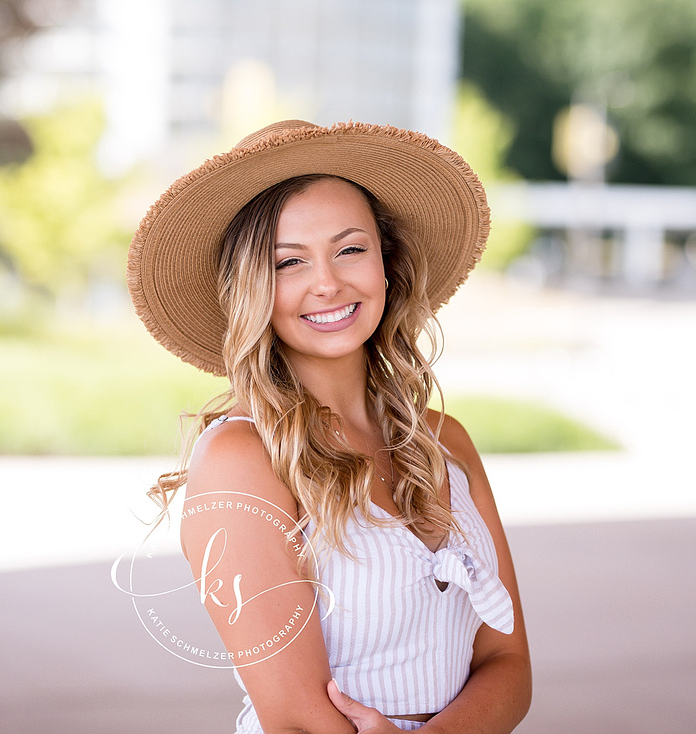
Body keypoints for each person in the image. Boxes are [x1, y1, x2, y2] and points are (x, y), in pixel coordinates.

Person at [127, 120, 530, 732]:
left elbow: (509, 664)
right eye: (289, 262)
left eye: (350, 249)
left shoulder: (444, 441)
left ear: (386, 264)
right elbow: (295, 719)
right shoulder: (242, 457)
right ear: (251, 291)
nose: (328, 283)